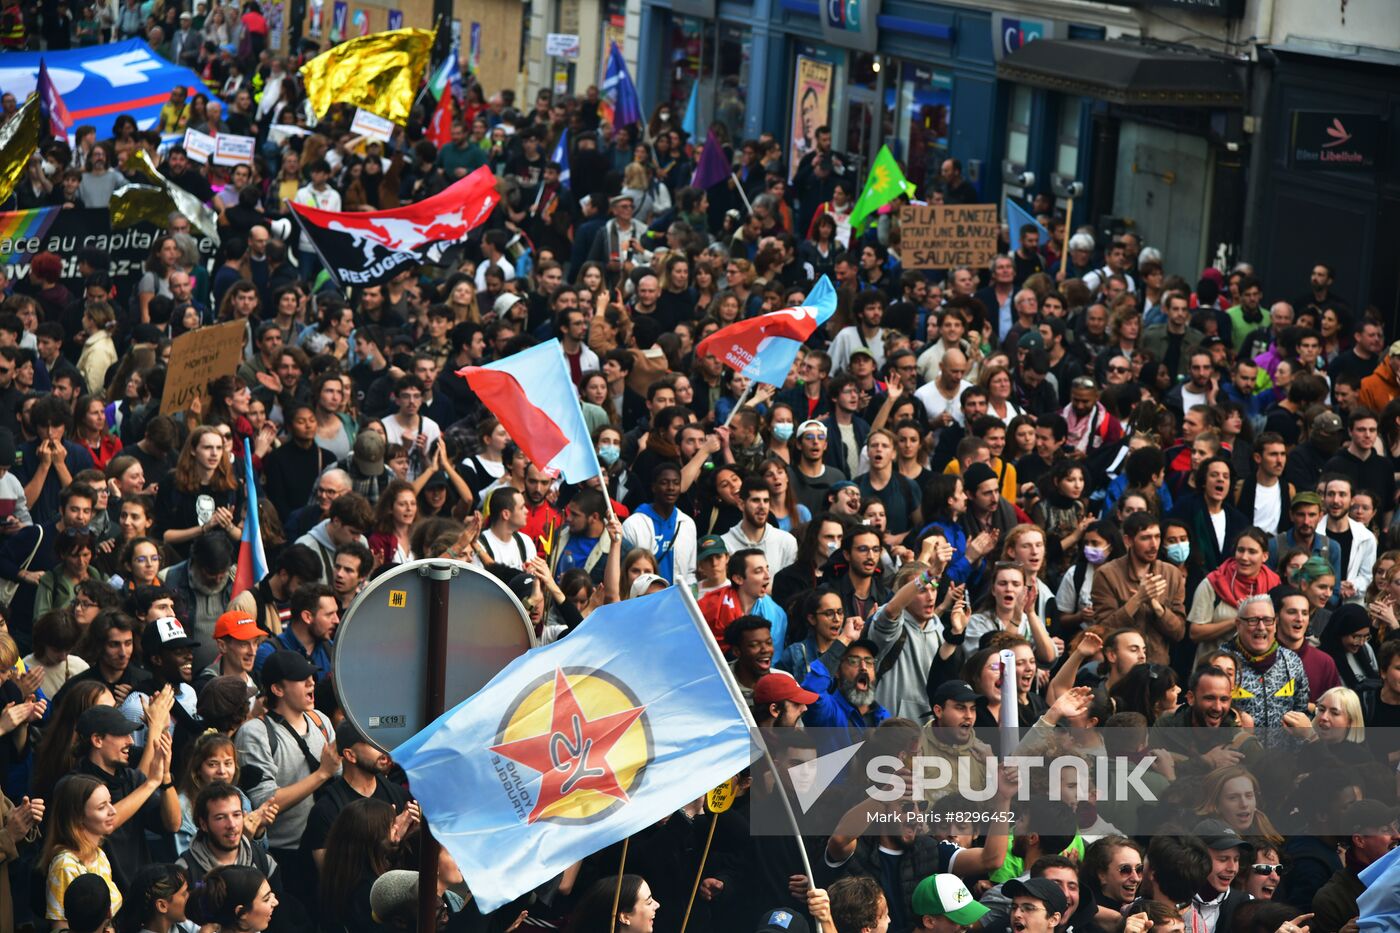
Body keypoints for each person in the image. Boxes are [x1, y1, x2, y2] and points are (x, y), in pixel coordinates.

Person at [234, 651, 338, 901]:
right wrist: (322, 774)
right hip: (287, 857)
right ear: (278, 689)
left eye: (311, 676)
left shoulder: (321, 720)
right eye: (301, 678)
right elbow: (265, 803)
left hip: (330, 850)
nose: (311, 682)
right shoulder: (255, 733)